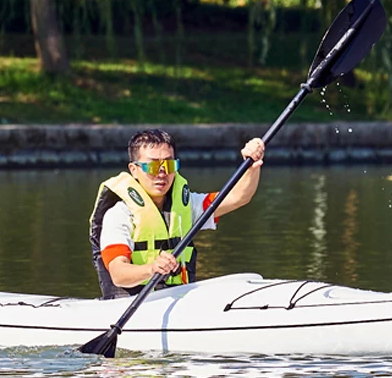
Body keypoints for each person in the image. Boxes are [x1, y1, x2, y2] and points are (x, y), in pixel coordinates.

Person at [88, 128, 266, 299]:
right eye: (152, 166)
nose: (162, 173)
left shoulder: (187, 206)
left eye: (169, 164)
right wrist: (151, 268)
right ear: (134, 169)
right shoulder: (119, 214)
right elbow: (118, 274)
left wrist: (253, 165)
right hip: (132, 304)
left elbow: (238, 197)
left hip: (176, 298)